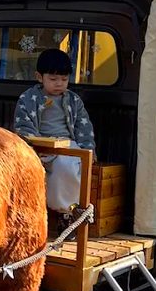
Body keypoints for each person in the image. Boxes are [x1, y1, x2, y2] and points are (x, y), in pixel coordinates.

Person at [13, 49, 96, 215]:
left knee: (67, 165)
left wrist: (89, 150)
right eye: (53, 79)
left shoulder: (74, 100)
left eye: (64, 79)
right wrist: (34, 147)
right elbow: (23, 126)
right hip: (40, 146)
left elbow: (84, 128)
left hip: (67, 145)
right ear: (39, 77)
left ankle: (68, 210)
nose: (59, 83)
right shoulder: (28, 99)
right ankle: (52, 210)